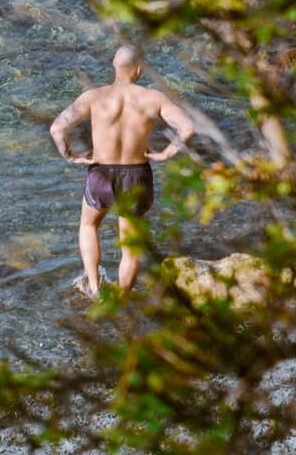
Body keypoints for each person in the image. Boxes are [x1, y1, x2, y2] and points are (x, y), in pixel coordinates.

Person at [50, 45, 197, 296]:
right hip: (136, 174)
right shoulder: (153, 98)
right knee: (129, 244)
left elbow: (57, 129)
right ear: (139, 70)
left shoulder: (93, 97)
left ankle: (94, 288)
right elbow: (187, 128)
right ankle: (122, 299)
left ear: (113, 65)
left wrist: (72, 157)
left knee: (88, 225)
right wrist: (165, 154)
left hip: (101, 173)